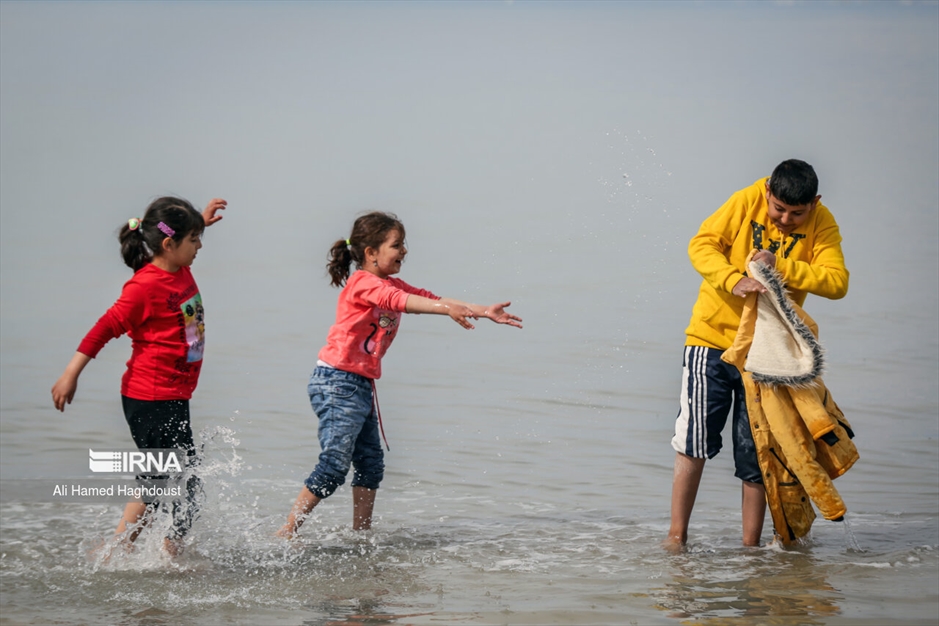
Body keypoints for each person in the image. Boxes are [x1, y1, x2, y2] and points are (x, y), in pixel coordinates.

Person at [277, 211, 522, 538]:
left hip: (361, 384)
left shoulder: (390, 283)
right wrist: (445, 309)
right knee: (334, 466)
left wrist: (482, 311)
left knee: (370, 464)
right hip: (337, 382)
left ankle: (361, 538)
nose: (404, 250)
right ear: (371, 252)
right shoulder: (363, 283)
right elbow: (400, 302)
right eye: (396, 245)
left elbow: (431, 299)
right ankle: (286, 532)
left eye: (403, 244)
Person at [664, 159, 849, 549]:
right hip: (710, 340)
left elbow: (837, 282)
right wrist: (732, 280)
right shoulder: (745, 200)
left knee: (757, 451)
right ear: (767, 192)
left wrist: (780, 264)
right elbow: (701, 245)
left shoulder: (823, 223)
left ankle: (751, 551)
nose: (785, 220)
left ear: (814, 203)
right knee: (694, 441)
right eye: (778, 209)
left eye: (797, 213)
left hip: (766, 354)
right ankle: (676, 539)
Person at [51, 196, 227, 556]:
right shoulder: (144, 287)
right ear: (169, 244)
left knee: (176, 479)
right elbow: (103, 329)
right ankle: (133, 549)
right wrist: (70, 374)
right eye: (194, 239)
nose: (199, 247)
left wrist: (199, 222)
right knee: (169, 479)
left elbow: (178, 237)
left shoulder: (178, 267)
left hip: (174, 395)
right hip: (150, 397)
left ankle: (144, 549)